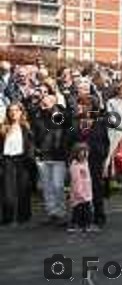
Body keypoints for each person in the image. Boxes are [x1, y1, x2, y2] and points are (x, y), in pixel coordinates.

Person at [31, 93, 72, 224]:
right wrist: (35, 151)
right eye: (42, 101)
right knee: (47, 187)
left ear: (54, 102)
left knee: (58, 185)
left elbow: (66, 127)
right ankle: (52, 212)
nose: (42, 103)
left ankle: (61, 212)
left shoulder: (60, 114)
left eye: (46, 101)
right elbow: (34, 134)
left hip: (58, 155)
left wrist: (54, 112)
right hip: (42, 155)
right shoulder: (38, 116)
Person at [0, 103, 34, 226]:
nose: (13, 113)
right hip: (7, 160)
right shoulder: (3, 128)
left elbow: (30, 145)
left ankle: (23, 217)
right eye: (11, 110)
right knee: (7, 191)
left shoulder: (26, 128)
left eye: (16, 110)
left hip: (22, 160)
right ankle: (8, 218)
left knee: (23, 189)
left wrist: (30, 161)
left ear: (21, 112)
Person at [67, 143, 93, 233]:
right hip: (80, 194)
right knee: (79, 210)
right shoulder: (76, 166)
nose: (85, 154)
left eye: (86, 151)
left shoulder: (85, 163)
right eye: (82, 152)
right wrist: (80, 193)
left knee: (85, 210)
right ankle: (76, 225)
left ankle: (84, 225)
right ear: (76, 153)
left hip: (86, 192)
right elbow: (76, 181)